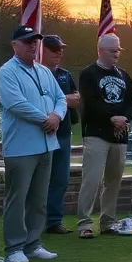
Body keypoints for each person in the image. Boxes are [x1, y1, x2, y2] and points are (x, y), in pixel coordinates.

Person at [0, 25, 66, 262]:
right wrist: (45, 118)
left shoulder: (44, 71)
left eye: (35, 41)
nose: (32, 45)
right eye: (27, 41)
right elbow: (15, 103)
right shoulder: (7, 72)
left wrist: (57, 116)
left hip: (46, 143)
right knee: (18, 197)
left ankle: (33, 243)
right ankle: (14, 247)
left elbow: (60, 98)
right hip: (21, 146)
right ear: (15, 45)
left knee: (39, 197)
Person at [76, 33, 132, 238]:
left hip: (120, 136)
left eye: (118, 50)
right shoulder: (88, 74)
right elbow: (90, 102)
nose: (116, 54)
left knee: (113, 181)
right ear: (100, 50)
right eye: (113, 51)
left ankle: (107, 222)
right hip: (96, 134)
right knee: (91, 180)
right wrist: (111, 118)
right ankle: (84, 223)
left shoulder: (123, 75)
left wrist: (124, 118)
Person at [41, 35, 80, 235]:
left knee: (60, 180)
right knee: (39, 180)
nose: (58, 52)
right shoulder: (35, 74)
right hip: (41, 133)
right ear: (42, 50)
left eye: (60, 48)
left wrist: (58, 100)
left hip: (63, 133)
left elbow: (77, 98)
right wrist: (64, 101)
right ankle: (36, 221)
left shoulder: (64, 74)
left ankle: (54, 221)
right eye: (53, 48)